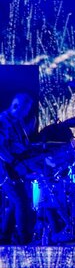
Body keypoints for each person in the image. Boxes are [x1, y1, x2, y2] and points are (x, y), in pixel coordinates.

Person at [0, 93, 35, 244]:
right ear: (16, 106)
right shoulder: (3, 121)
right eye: (25, 109)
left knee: (16, 201)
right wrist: (15, 163)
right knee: (21, 201)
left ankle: (5, 236)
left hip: (12, 166)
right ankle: (24, 239)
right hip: (4, 168)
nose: (27, 113)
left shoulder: (17, 123)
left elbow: (19, 145)